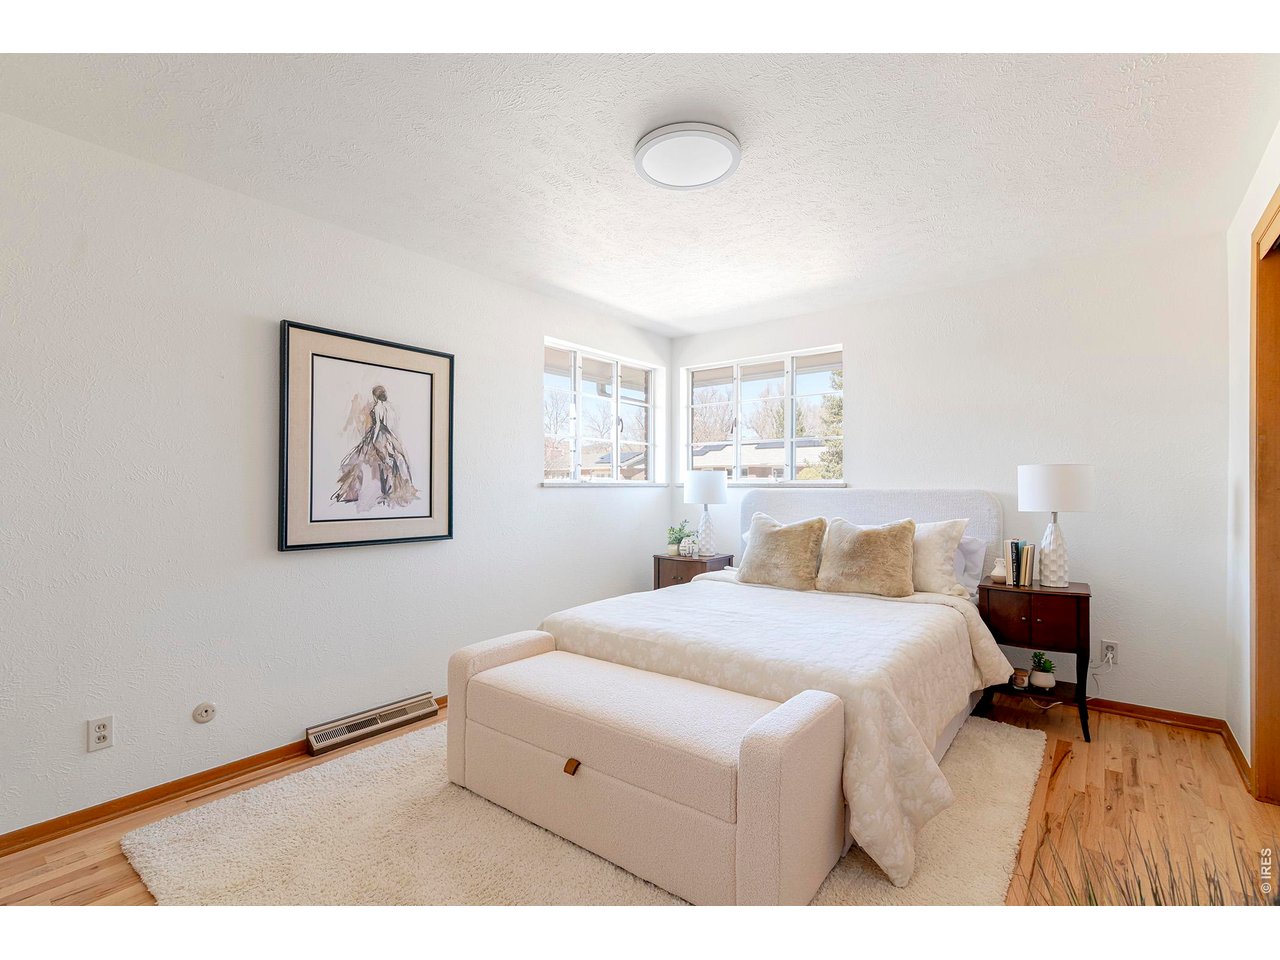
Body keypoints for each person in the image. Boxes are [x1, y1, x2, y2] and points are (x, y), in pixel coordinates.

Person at [332, 385, 419, 509]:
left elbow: (378, 425)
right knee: (390, 461)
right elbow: (390, 425)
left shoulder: (377, 407)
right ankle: (387, 490)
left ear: (375, 395)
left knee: (362, 460)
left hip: (378, 435)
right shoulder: (390, 407)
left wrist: (372, 439)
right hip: (388, 435)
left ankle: (353, 492)